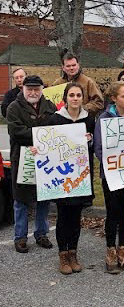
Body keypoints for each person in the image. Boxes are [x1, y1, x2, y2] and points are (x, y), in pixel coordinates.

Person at [44, 83, 94, 274]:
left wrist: (90, 141)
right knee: (64, 215)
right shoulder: (55, 119)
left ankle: (73, 252)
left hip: (81, 176)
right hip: (62, 177)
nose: (75, 98)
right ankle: (63, 254)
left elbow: (95, 144)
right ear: (65, 98)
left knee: (76, 216)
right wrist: (38, 149)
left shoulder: (89, 119)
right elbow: (46, 143)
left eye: (78, 95)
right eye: (71, 95)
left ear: (83, 98)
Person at [7, 75, 57, 253]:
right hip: (22, 159)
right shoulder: (14, 107)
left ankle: (41, 234)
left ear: (42, 89)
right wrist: (42, 135)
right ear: (23, 89)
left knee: (43, 197)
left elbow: (56, 129)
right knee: (21, 200)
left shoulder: (50, 107)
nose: (33, 92)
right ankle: (20, 237)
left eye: (37, 89)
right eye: (30, 89)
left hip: (45, 159)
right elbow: (16, 132)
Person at [94, 82, 124, 274]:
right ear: (114, 98)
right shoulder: (104, 119)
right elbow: (99, 148)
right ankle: (110, 250)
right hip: (112, 174)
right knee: (113, 213)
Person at [52, 51, 104, 116]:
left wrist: (81, 109)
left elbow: (99, 102)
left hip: (83, 120)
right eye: (68, 66)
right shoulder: (57, 84)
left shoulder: (88, 82)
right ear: (63, 68)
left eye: (74, 65)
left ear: (78, 65)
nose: (71, 68)